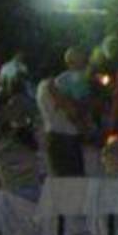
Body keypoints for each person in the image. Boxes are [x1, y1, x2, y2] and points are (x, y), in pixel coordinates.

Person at [38, 46, 91, 176]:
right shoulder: (57, 86)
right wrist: (84, 127)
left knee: (61, 181)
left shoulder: (41, 87)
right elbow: (71, 111)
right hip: (67, 138)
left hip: (52, 136)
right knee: (75, 181)